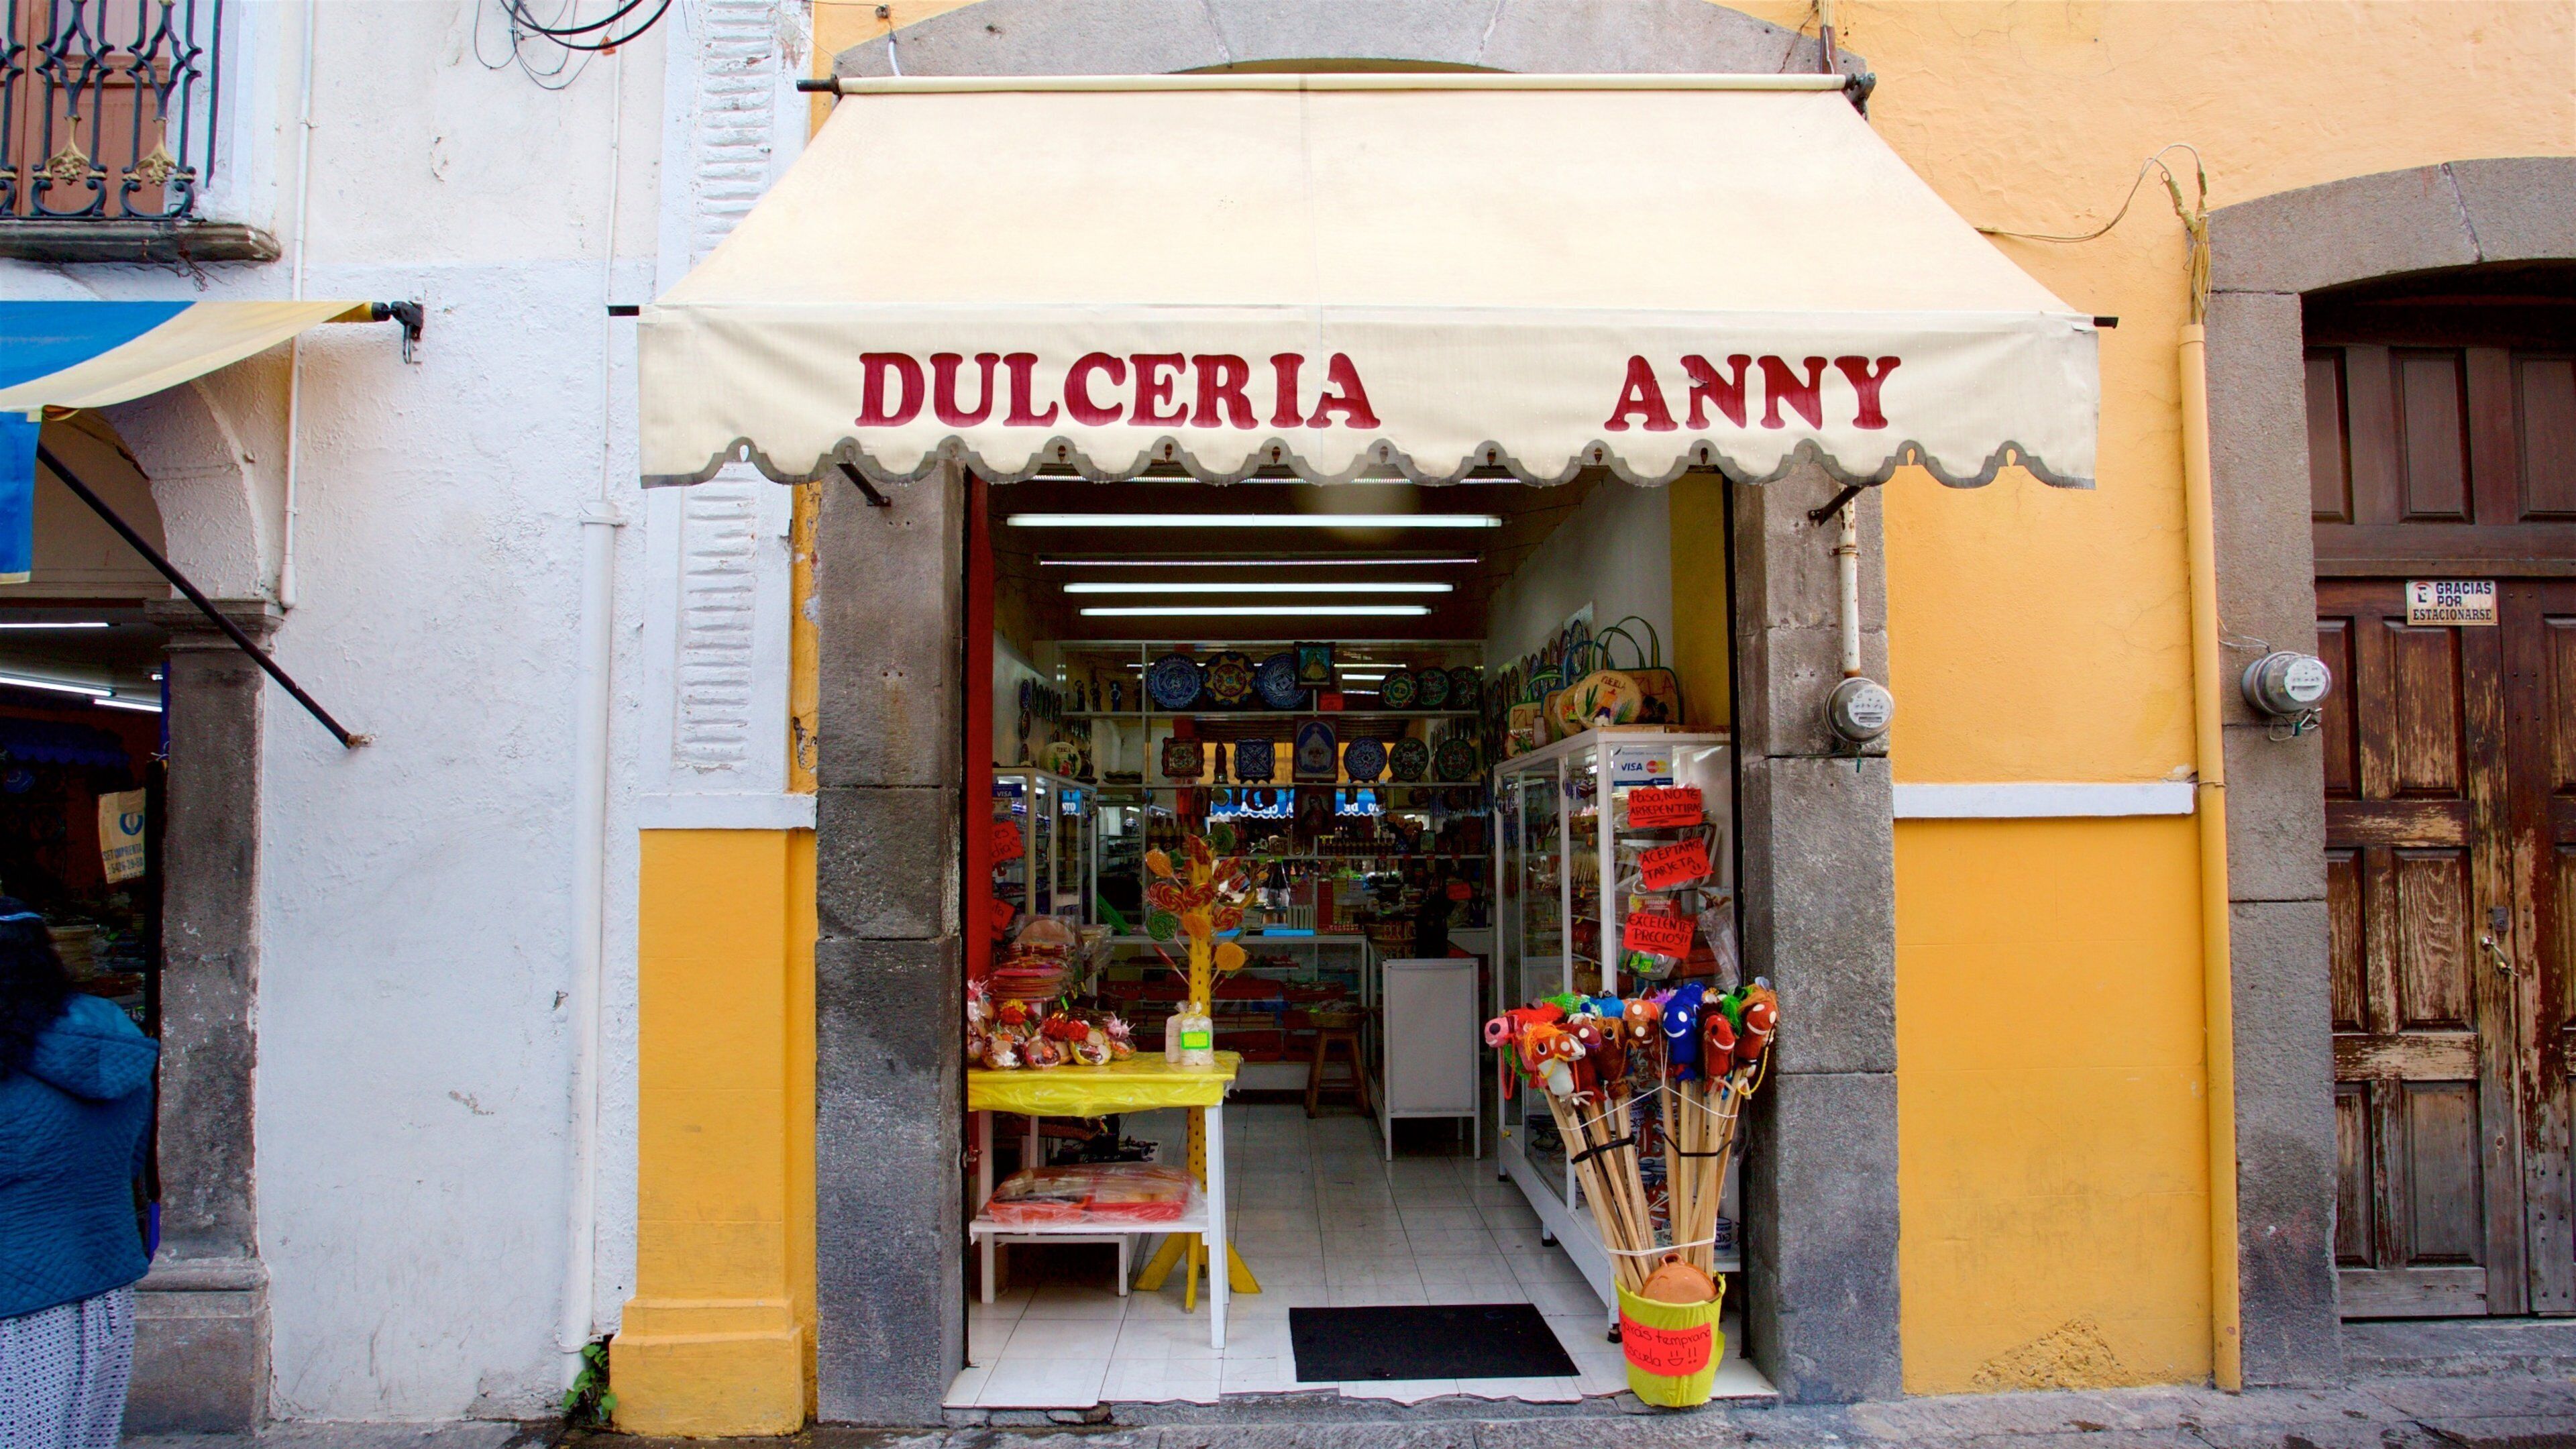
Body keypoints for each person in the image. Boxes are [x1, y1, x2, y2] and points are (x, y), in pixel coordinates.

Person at [0, 901, 156, 1449]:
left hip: (16, 1300)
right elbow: (134, 1160)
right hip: (104, 1283)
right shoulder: (111, 1037)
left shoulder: (11, 1071)